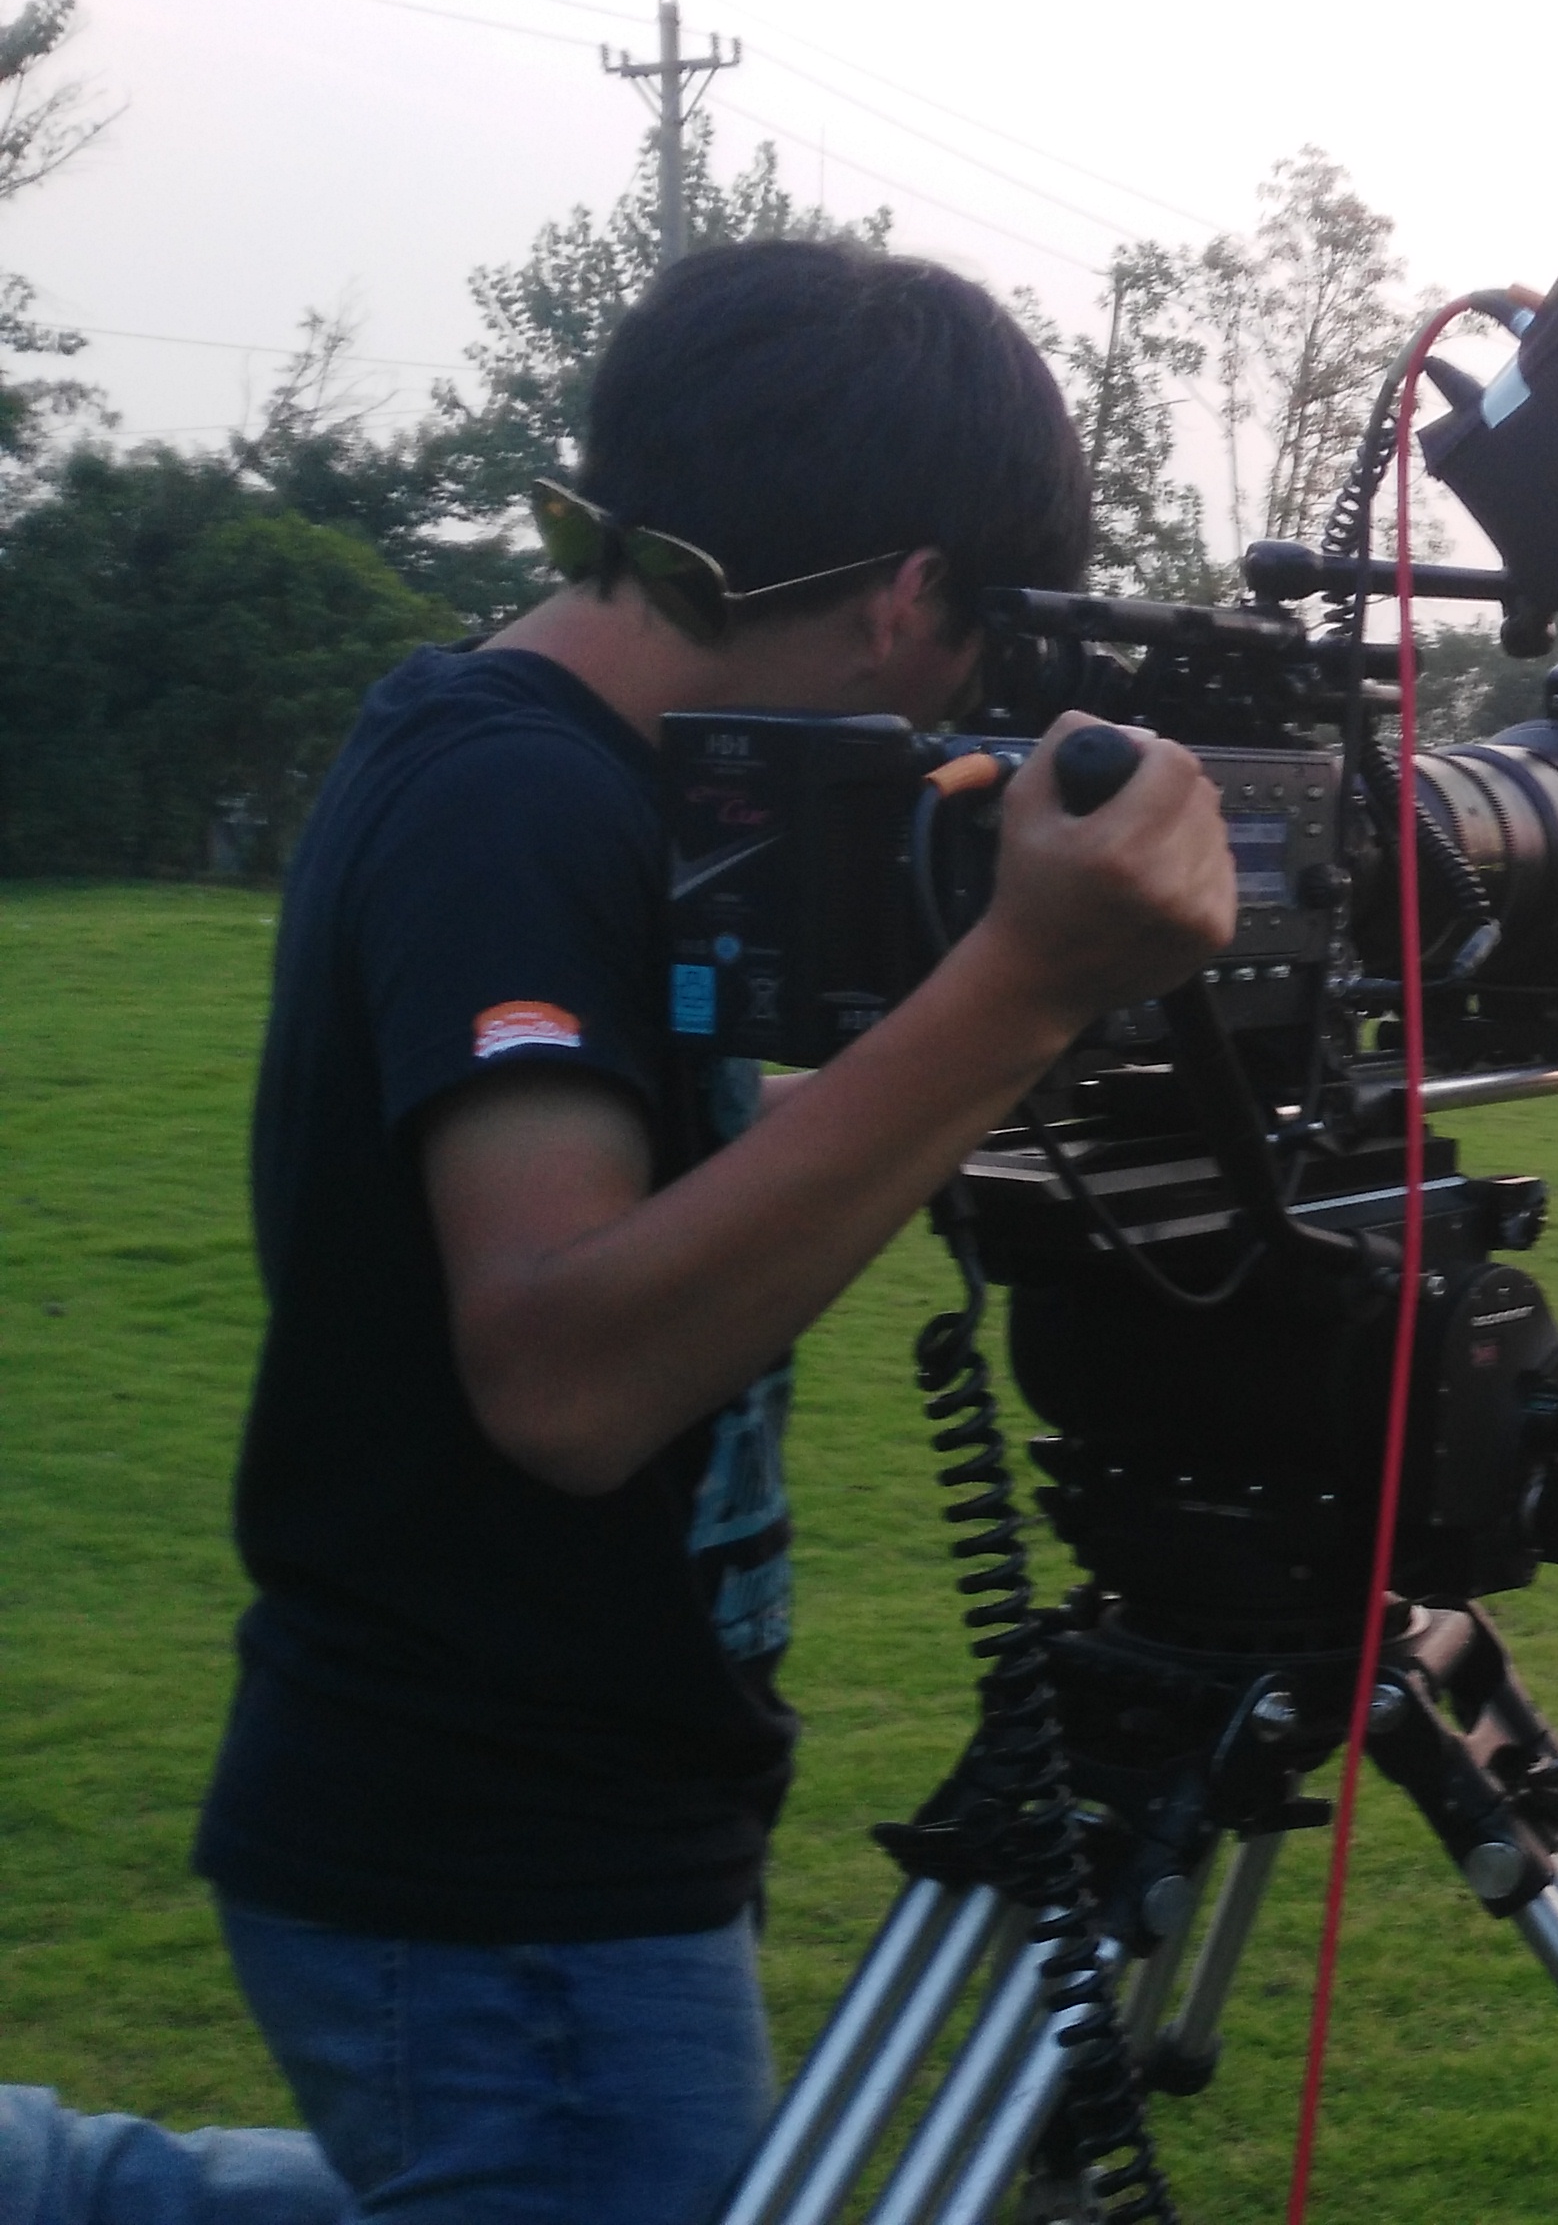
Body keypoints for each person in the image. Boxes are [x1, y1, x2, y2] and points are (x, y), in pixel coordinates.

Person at [149, 239, 1232, 2223]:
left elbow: (678, 1170)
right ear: (909, 596)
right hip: (496, 1865)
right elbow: (561, 1372)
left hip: (540, 1815)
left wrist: (994, 1035)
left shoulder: (571, 766)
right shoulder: (517, 802)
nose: (960, 706)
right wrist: (1019, 985)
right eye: (975, 650)